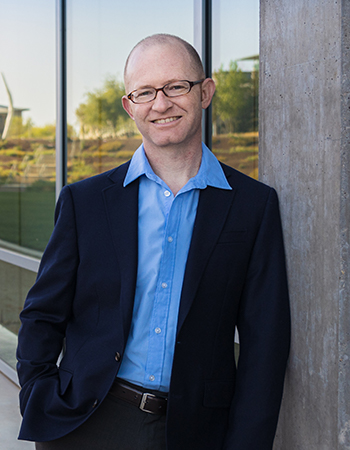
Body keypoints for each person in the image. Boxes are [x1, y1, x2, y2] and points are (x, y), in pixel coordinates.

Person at [16, 34, 290, 450]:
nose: (161, 104)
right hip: (85, 423)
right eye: (144, 92)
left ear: (205, 92)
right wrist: (37, 393)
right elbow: (42, 314)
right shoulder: (84, 203)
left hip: (195, 432)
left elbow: (265, 344)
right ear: (130, 106)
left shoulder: (253, 206)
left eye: (176, 86)